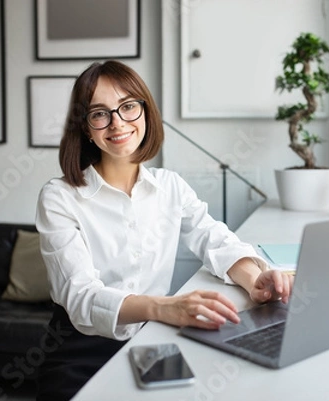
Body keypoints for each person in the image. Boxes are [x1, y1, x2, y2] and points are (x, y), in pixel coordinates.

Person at [34, 60, 293, 400]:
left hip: (152, 340)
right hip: (80, 351)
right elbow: (81, 297)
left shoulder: (170, 187)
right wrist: (164, 307)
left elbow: (214, 239)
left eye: (128, 107)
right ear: (85, 128)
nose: (117, 123)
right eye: (100, 113)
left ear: (145, 111)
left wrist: (253, 278)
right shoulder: (60, 197)